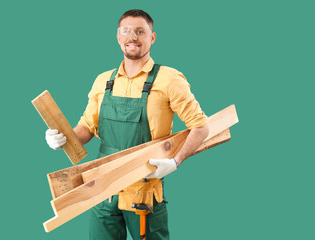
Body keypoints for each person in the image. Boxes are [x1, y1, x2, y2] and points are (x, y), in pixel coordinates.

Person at [45, 9, 209, 240]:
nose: (133, 37)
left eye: (140, 32)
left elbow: (201, 126)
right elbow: (87, 128)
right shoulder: (103, 81)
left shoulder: (169, 79)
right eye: (127, 31)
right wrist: (62, 138)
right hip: (101, 189)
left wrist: (175, 161)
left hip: (145, 188)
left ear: (152, 37)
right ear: (118, 37)